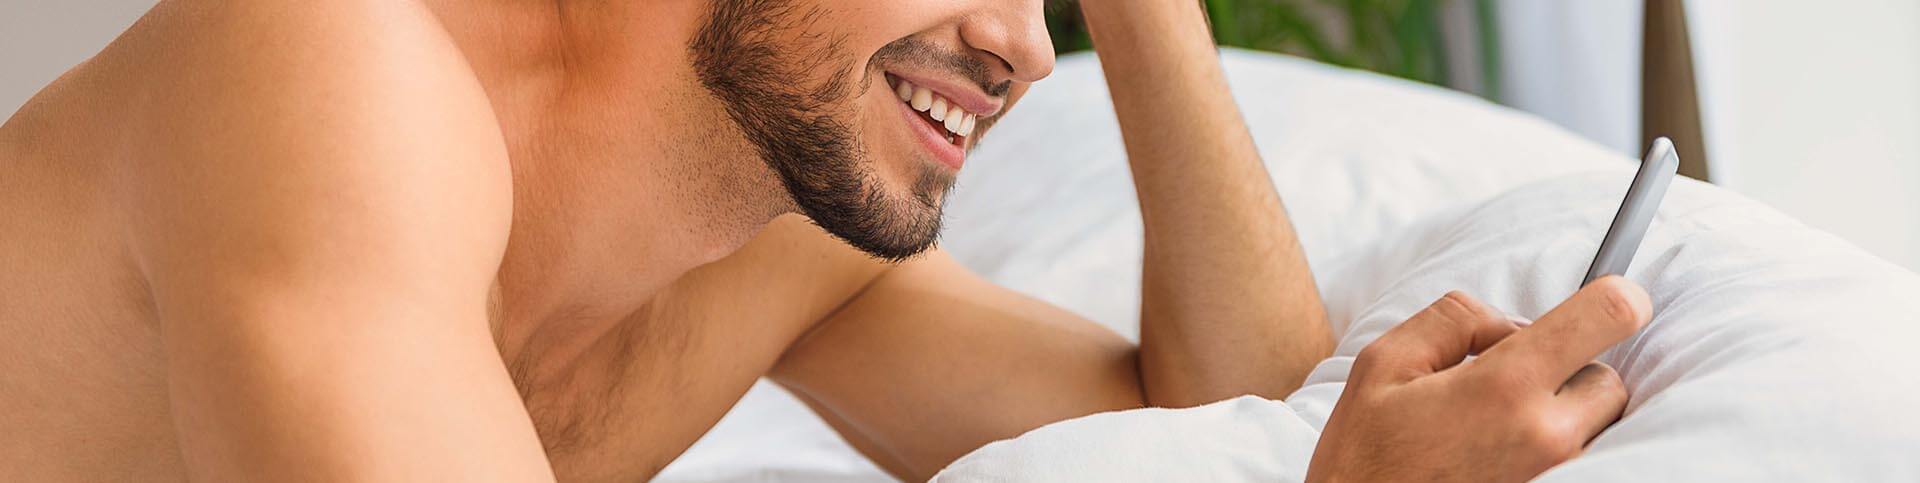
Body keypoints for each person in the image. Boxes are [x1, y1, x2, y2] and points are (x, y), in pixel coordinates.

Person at [0, 0, 1651, 480]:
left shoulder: (780, 234)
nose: (1017, 43)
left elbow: (1239, 417)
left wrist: (1152, 26)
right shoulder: (329, 70)